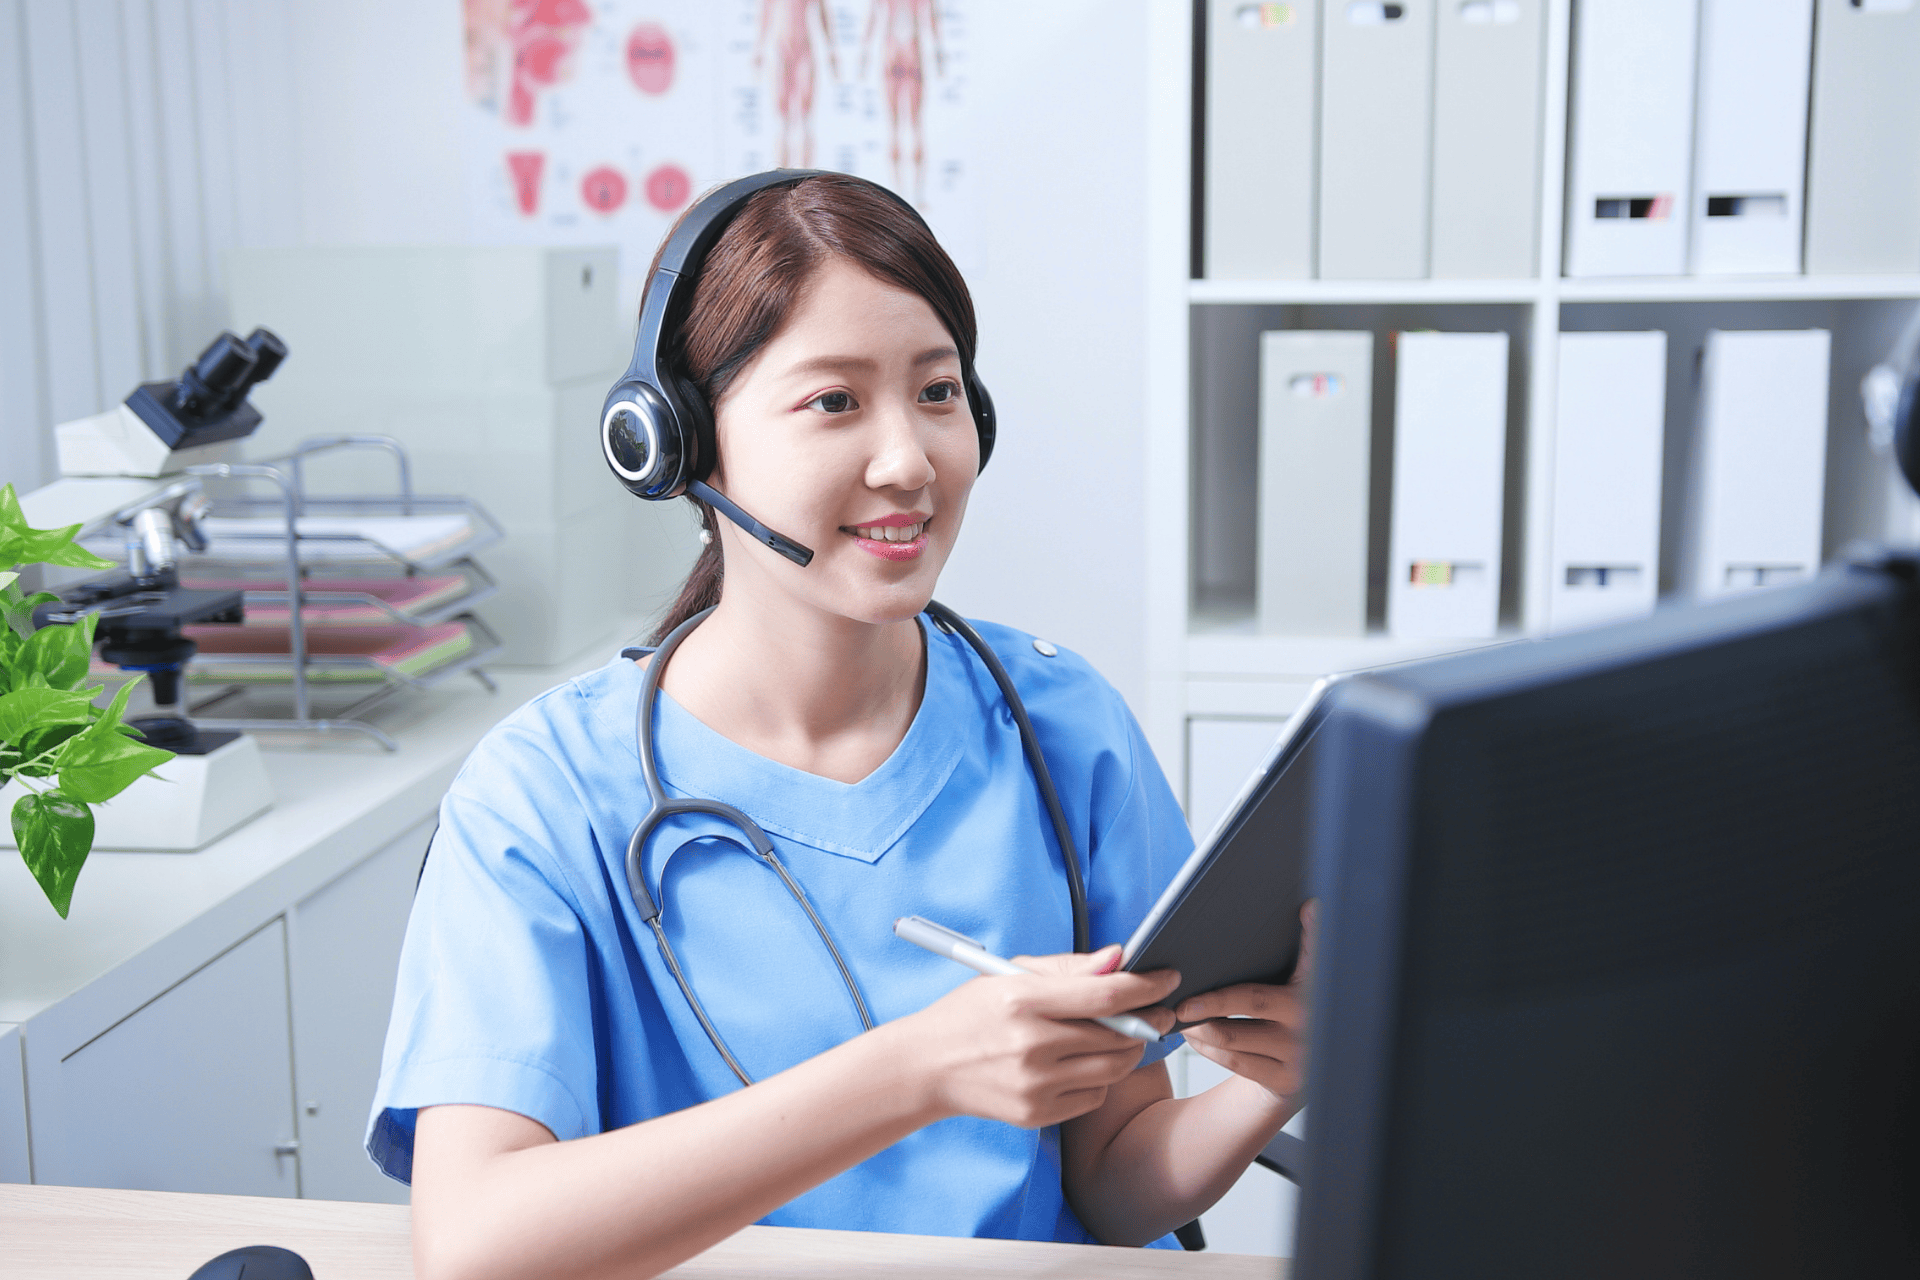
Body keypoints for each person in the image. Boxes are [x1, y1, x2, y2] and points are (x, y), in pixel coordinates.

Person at [368, 171, 1310, 1280]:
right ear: (678, 443)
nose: (908, 459)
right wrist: (916, 1070)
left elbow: (1109, 1174)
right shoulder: (544, 792)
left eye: (937, 392)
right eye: (834, 401)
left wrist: (1273, 1079)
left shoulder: (1062, 724)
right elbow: (478, 1245)